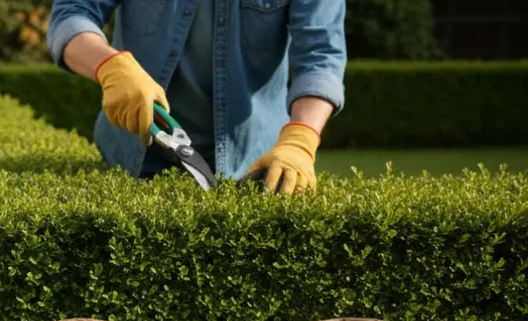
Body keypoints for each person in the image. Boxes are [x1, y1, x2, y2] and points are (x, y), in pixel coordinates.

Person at [48, 0, 346, 194]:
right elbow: (72, 14)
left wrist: (300, 139)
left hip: (252, 172)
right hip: (131, 162)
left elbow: (320, 56)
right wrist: (108, 65)